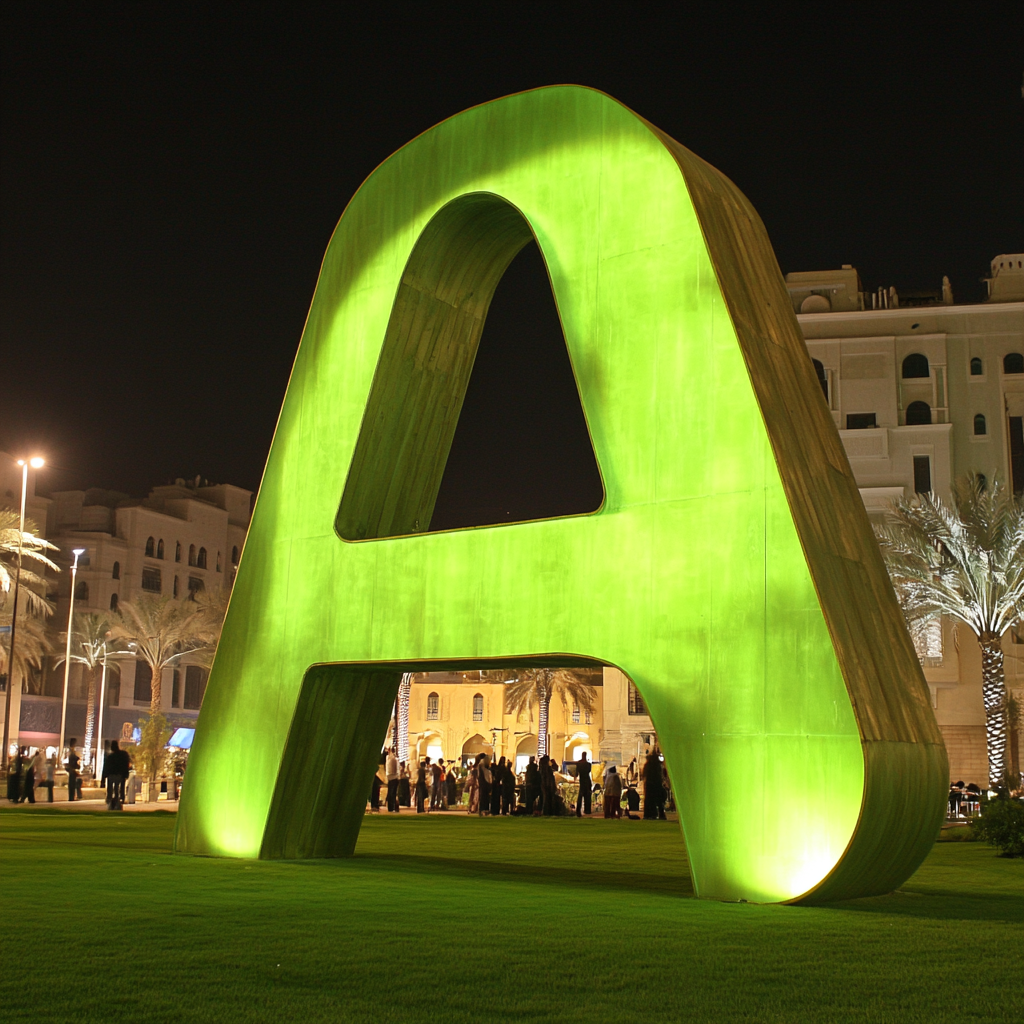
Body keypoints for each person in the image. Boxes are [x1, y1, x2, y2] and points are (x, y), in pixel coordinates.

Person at [102, 741, 130, 810]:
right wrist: (126, 774)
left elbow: (106, 767)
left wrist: (103, 778)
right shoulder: (123, 755)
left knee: (111, 787)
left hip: (112, 775)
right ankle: (118, 799)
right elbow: (126, 765)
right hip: (120, 775)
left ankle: (110, 800)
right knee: (118, 787)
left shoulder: (110, 756)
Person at [642, 749, 664, 820]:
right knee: (658, 801)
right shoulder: (656, 766)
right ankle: (659, 814)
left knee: (649, 800)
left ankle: (649, 814)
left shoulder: (648, 765)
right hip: (656, 784)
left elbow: (644, 775)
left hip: (650, 784)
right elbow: (660, 775)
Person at [575, 751, 593, 817]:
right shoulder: (588, 764)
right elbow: (588, 771)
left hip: (582, 780)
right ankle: (587, 810)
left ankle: (578, 810)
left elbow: (576, 773)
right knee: (587, 796)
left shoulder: (579, 764)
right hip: (587, 781)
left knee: (580, 796)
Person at [385, 747, 400, 813]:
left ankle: (391, 807)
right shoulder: (393, 759)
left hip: (390, 777)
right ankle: (392, 807)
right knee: (392, 793)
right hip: (394, 777)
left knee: (391, 793)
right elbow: (395, 769)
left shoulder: (388, 758)